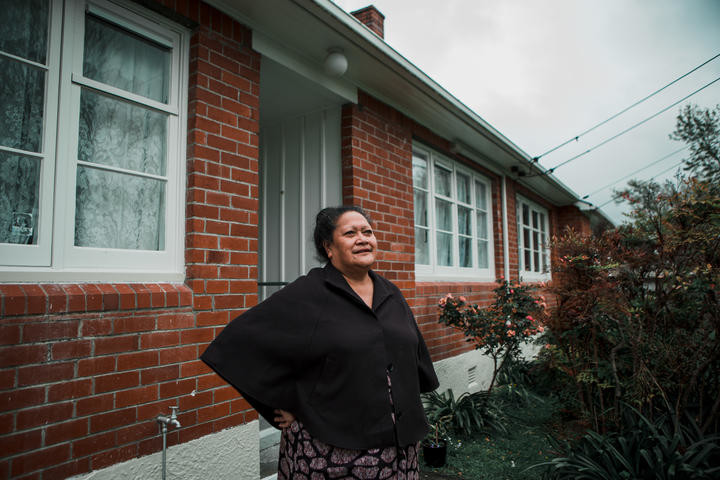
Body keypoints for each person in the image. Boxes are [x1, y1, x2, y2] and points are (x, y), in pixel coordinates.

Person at [201, 205, 439, 479]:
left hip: (398, 445)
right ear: (329, 247)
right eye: (350, 233)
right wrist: (282, 403)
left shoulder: (390, 292)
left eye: (368, 232)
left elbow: (410, 352)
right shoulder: (308, 293)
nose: (363, 238)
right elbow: (239, 344)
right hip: (331, 449)